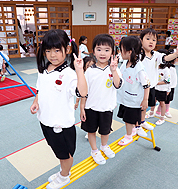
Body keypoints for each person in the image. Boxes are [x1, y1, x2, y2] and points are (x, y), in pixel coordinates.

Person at [30, 29, 87, 189]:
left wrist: (80, 71)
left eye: (57, 50)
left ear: (67, 50)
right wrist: (36, 102)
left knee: (66, 155)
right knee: (57, 151)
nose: (52, 55)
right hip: (45, 120)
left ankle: (64, 175)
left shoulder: (69, 74)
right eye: (48, 51)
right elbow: (39, 89)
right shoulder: (44, 70)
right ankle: (63, 170)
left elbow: (82, 92)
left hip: (60, 125)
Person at [80, 34, 122, 165]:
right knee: (91, 131)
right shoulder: (89, 71)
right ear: (93, 52)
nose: (102, 53)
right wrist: (82, 107)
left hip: (107, 107)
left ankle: (104, 146)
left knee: (105, 130)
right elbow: (84, 92)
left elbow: (117, 84)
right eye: (99, 49)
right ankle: (94, 150)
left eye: (106, 50)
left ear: (112, 53)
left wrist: (114, 71)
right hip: (91, 108)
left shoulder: (115, 69)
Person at [139, 28, 178, 125]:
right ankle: (136, 125)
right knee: (137, 106)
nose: (151, 42)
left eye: (154, 40)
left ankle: (142, 122)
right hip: (139, 86)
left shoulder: (155, 54)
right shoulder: (138, 54)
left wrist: (176, 54)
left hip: (151, 86)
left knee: (145, 106)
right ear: (141, 40)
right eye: (148, 39)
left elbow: (166, 58)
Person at [116, 36, 150, 145]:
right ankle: (135, 129)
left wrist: (145, 100)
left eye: (121, 50)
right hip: (125, 97)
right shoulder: (125, 63)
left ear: (129, 52)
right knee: (128, 117)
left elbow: (147, 85)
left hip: (134, 100)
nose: (120, 52)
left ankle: (129, 136)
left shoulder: (139, 68)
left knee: (128, 120)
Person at [151, 61, 171, 125]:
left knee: (162, 103)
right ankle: (151, 113)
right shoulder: (156, 68)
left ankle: (162, 118)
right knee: (153, 100)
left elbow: (168, 80)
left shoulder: (166, 70)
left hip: (162, 89)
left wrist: (157, 83)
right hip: (155, 88)